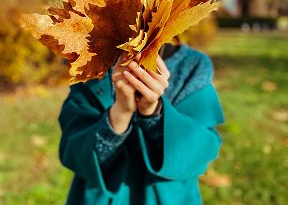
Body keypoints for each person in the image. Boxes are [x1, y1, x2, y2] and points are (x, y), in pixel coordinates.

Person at [58, 43, 224, 205]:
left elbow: (199, 150)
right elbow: (73, 149)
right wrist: (121, 111)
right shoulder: (90, 60)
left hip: (168, 197)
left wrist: (153, 111)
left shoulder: (190, 66)